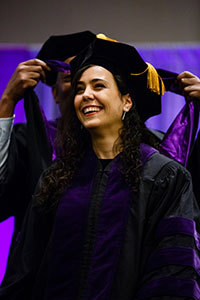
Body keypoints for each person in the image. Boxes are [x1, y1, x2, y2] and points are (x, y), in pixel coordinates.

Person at [1, 36, 200, 300]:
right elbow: (26, 267)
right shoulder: (57, 178)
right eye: (80, 88)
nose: (86, 95)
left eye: (98, 86)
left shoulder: (163, 175)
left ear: (127, 101)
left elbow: (173, 271)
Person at [0, 31, 96, 250]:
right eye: (71, 78)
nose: (83, 89)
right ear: (54, 93)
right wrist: (7, 101)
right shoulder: (29, 140)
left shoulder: (125, 146)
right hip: (39, 275)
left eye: (93, 81)